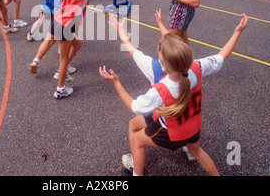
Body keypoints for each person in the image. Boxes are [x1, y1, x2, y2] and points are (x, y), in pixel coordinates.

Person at [99, 9, 248, 176]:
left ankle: (136, 173)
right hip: (194, 126)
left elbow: (134, 107)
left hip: (172, 133)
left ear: (162, 62)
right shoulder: (196, 67)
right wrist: (237, 32)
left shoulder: (161, 89)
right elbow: (221, 56)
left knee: (137, 140)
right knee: (198, 152)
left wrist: (116, 83)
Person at [52, 0, 124, 98]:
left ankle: (62, 71)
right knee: (63, 60)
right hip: (65, 25)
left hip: (59, 21)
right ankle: (60, 89)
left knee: (77, 44)